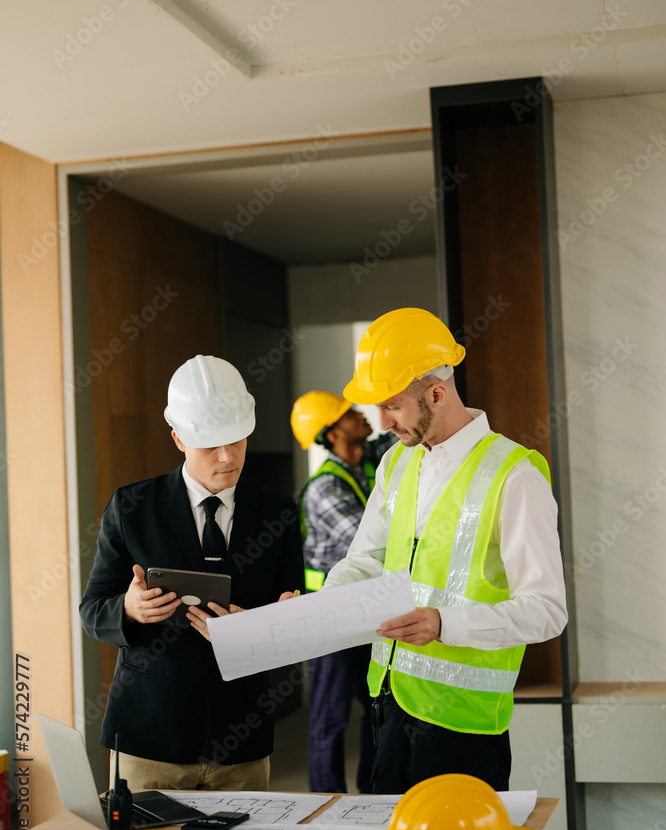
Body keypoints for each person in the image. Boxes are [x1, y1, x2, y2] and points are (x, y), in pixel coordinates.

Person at [322, 308, 568, 794]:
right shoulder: (395, 463)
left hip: (464, 727)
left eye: (392, 407)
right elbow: (365, 561)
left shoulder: (514, 475)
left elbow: (547, 611)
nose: (381, 423)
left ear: (436, 393)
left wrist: (443, 624)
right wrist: (320, 605)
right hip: (388, 707)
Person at [80, 355, 305, 792]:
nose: (228, 457)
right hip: (150, 739)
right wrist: (128, 608)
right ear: (179, 439)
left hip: (242, 738)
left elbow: (291, 607)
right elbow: (92, 610)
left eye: (237, 440)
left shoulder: (277, 512)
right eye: (211, 446)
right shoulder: (132, 507)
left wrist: (269, 625)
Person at [290, 391, 392, 794]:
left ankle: (369, 795)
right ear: (332, 434)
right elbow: (367, 542)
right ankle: (326, 801)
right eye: (348, 413)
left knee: (375, 710)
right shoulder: (325, 488)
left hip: (366, 611)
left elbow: (403, 435)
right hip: (329, 617)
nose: (361, 415)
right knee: (329, 717)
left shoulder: (367, 462)